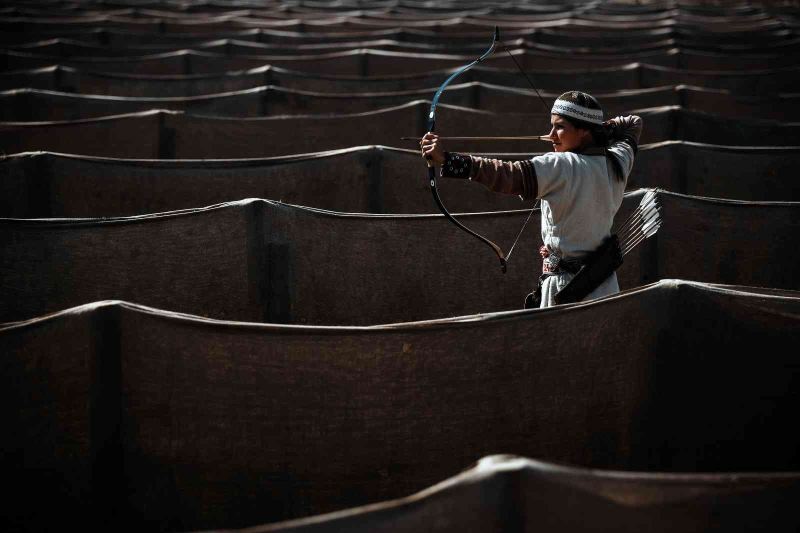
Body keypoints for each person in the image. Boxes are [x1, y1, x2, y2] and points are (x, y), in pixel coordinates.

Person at [420, 90, 643, 308]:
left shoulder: (562, 165)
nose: (551, 135)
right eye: (552, 126)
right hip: (605, 288)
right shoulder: (618, 161)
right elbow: (634, 122)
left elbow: (507, 175)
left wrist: (448, 160)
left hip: (567, 292)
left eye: (560, 127)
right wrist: (600, 130)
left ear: (583, 131)